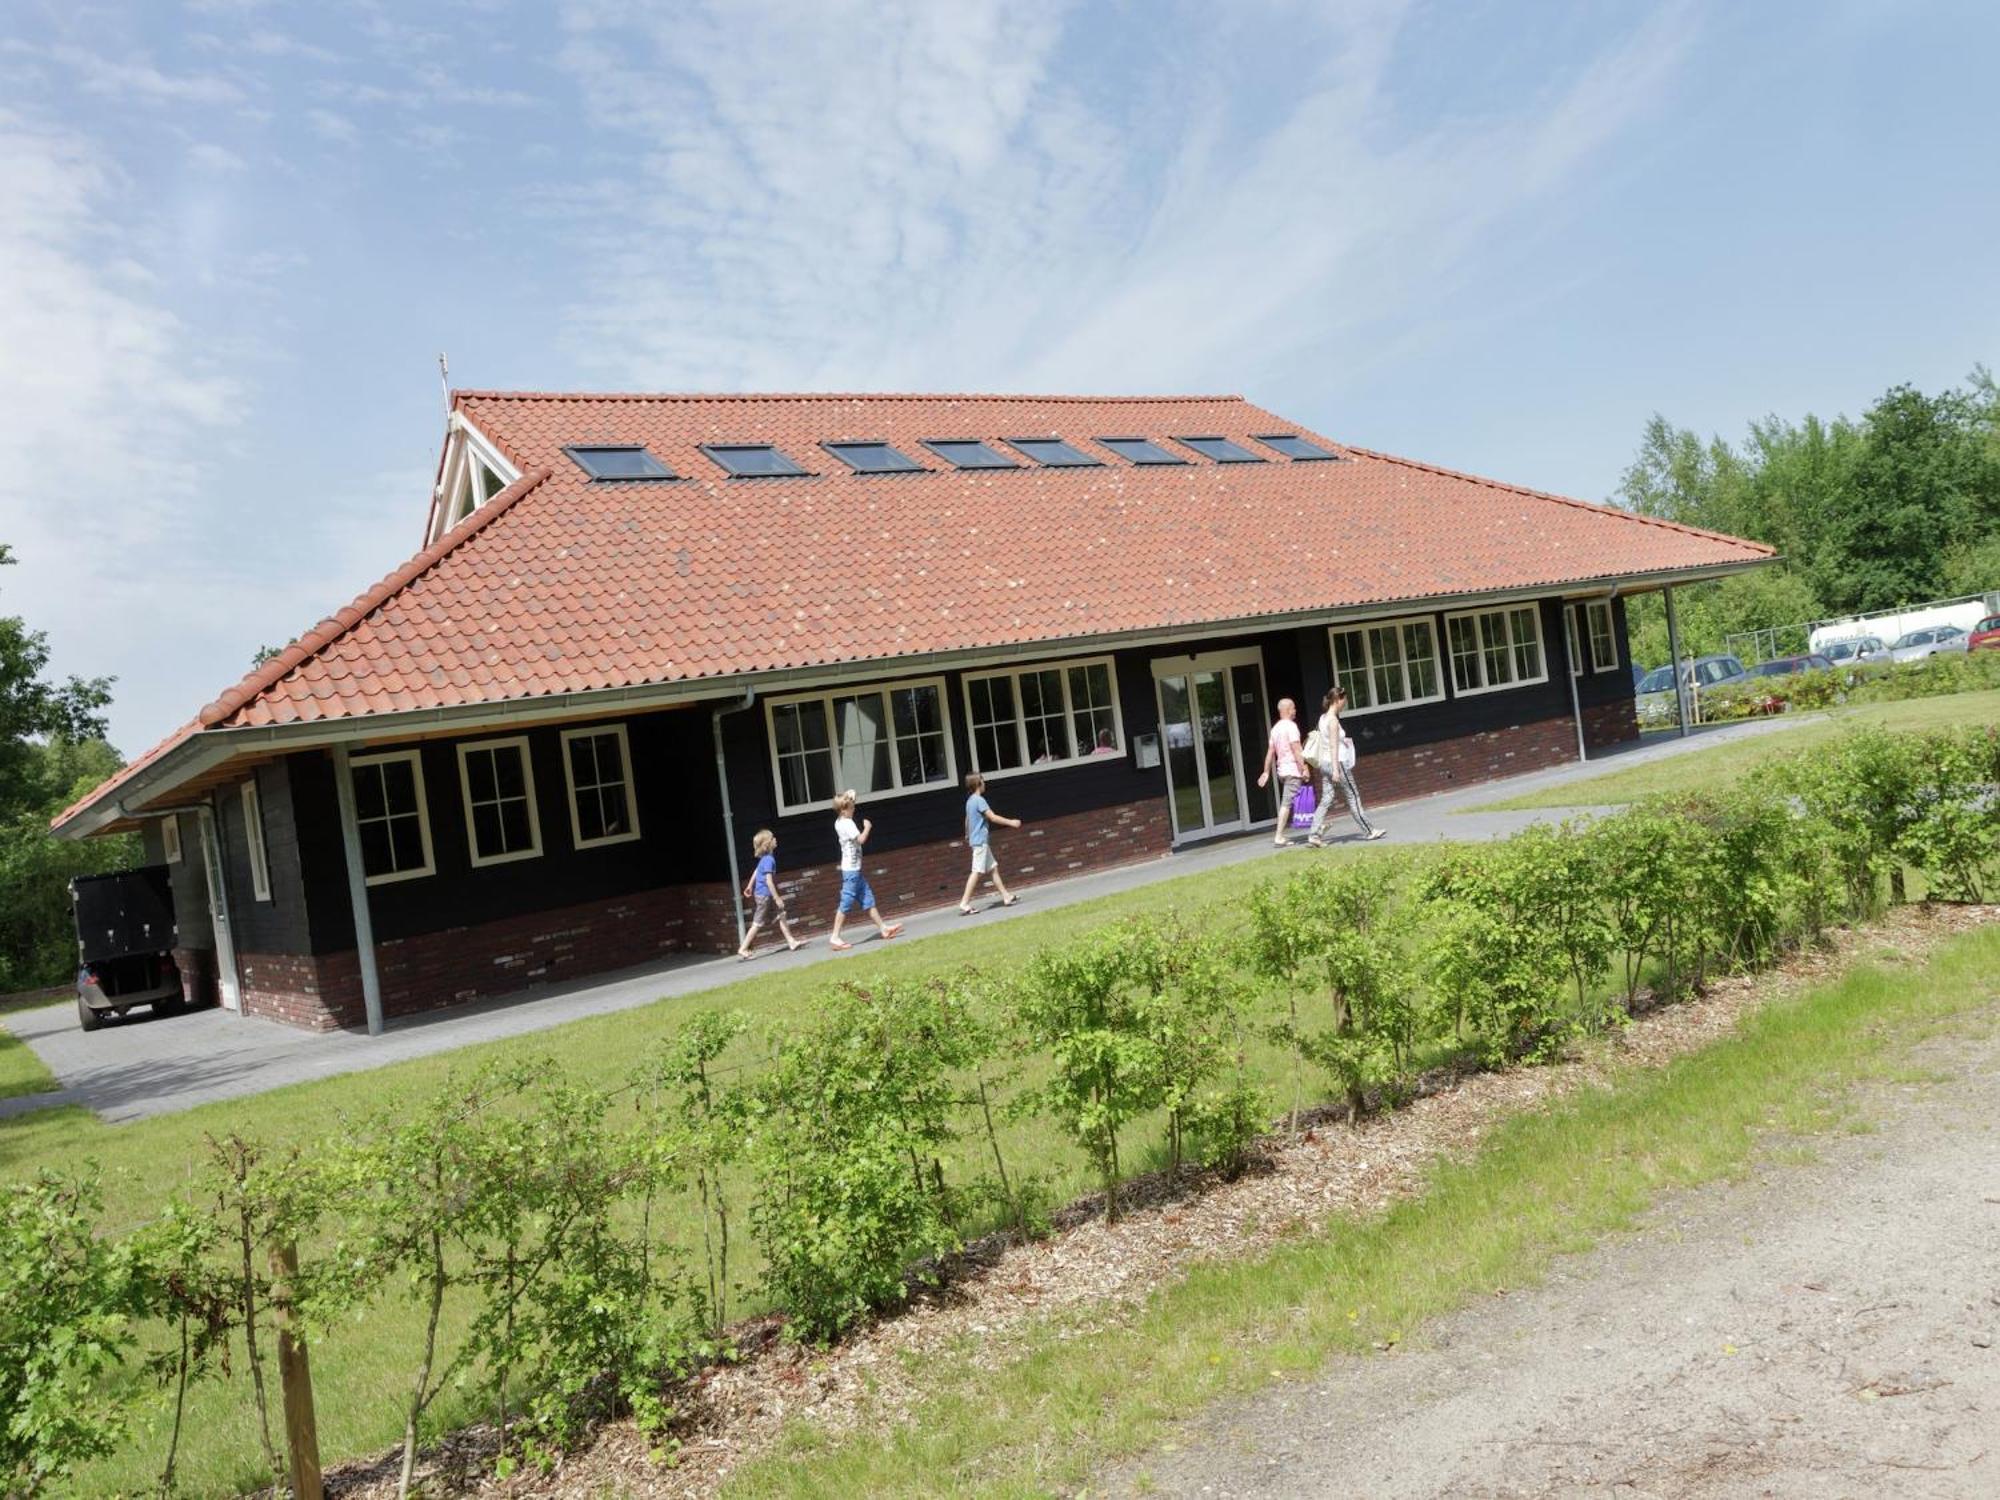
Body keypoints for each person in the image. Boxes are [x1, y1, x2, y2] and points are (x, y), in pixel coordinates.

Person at [1308, 686, 1386, 845]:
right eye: (1344, 699)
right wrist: (1336, 769)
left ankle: (1314, 834)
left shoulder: (1322, 718)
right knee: (1353, 796)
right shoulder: (1333, 721)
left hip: (1324, 763)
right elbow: (1333, 747)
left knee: (1327, 798)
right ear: (1337, 700)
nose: (1346, 702)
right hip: (1338, 763)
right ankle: (1369, 830)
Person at [827, 790, 904, 951]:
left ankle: (883, 928)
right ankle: (835, 936)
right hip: (851, 872)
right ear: (843, 810)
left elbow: (846, 803)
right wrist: (867, 827)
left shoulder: (840, 821)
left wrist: (850, 795)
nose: (854, 809)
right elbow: (861, 840)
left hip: (855, 870)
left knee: (868, 899)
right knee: (846, 902)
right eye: (851, 807)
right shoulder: (848, 824)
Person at [959, 772, 1023, 913]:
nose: (985, 783)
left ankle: (1006, 896)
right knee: (976, 871)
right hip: (980, 842)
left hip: (978, 841)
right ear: (978, 784)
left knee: (993, 868)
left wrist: (967, 834)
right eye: (983, 780)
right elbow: (992, 817)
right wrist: (1011, 822)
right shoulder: (979, 800)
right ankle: (964, 903)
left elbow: (967, 820)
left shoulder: (970, 801)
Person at [737, 828, 804, 959]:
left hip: (763, 895)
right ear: (767, 844)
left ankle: (791, 942)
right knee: (757, 923)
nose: (775, 839)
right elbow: (768, 881)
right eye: (773, 838)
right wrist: (777, 898)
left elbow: (757, 871)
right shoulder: (769, 860)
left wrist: (750, 886)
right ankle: (743, 948)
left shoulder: (766, 858)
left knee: (781, 914)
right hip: (765, 896)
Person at [1255, 697, 1307, 847]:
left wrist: (1266, 771)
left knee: (1296, 798)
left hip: (1282, 771)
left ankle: (1315, 824)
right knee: (1287, 802)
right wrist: (1304, 768)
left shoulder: (1275, 729)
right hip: (1292, 769)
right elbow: (1297, 749)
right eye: (1294, 708)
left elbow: (1270, 752)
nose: (1295, 711)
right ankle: (1279, 836)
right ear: (1287, 710)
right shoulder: (1291, 727)